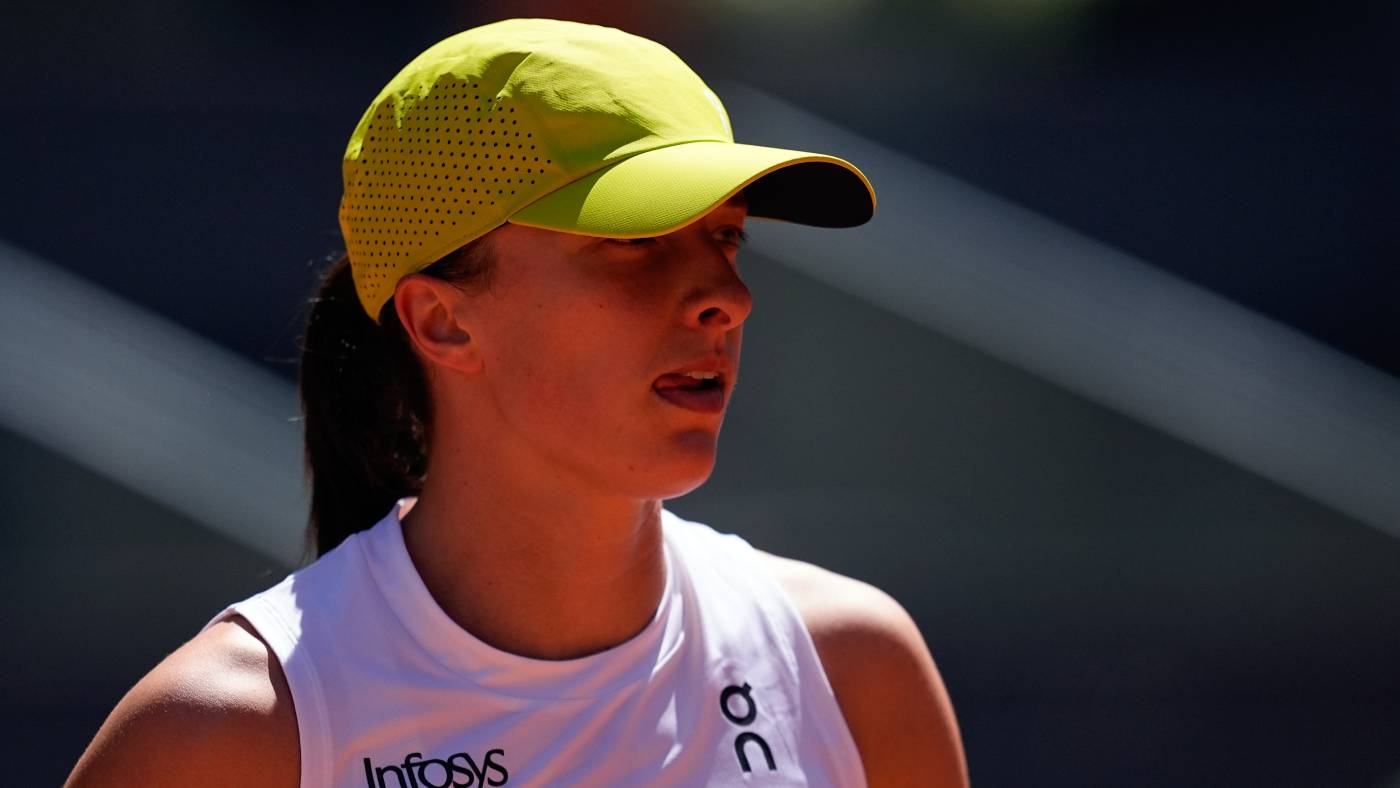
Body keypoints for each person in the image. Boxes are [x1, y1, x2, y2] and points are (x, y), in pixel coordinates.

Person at [66, 18, 967, 788]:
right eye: (637, 240)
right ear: (442, 321)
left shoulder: (853, 670)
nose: (728, 298)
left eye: (726, 236)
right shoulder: (226, 737)